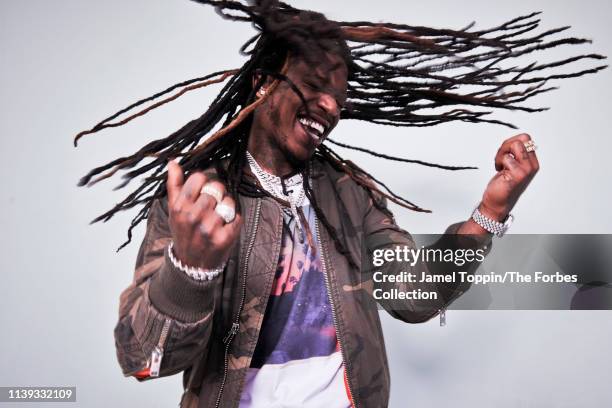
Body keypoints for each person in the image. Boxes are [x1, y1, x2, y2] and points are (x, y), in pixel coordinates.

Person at [75, 1, 605, 407]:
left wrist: (493, 207)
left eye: (340, 93)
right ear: (262, 83)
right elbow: (143, 357)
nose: (330, 105)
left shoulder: (348, 193)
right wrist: (189, 268)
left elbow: (415, 296)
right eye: (312, 85)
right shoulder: (197, 201)